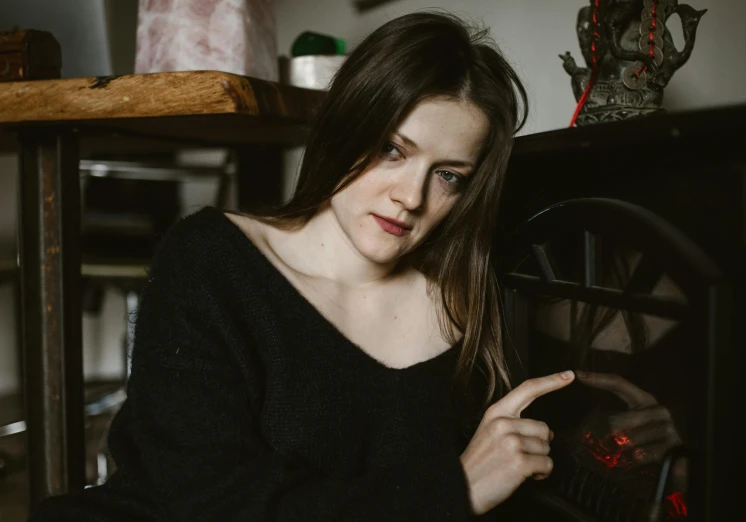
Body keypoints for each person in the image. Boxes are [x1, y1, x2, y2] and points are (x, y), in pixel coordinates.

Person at [30, 11, 575, 522]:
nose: (410, 196)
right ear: (345, 125)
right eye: (392, 149)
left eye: (448, 175)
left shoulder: (467, 304)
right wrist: (454, 489)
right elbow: (202, 500)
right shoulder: (213, 261)